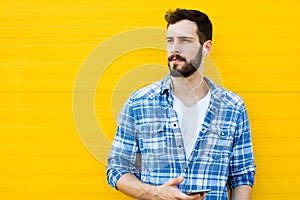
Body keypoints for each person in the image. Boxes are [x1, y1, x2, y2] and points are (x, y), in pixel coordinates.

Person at [106, 8, 256, 200]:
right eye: (170, 41)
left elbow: (241, 175)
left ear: (206, 47)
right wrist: (156, 193)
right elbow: (117, 169)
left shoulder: (233, 107)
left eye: (185, 41)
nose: (174, 49)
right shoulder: (139, 103)